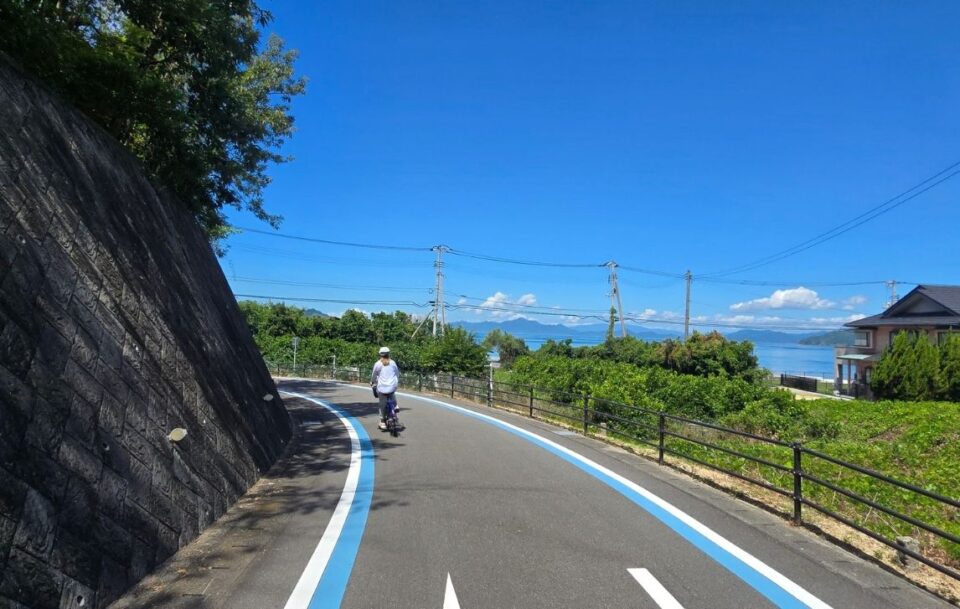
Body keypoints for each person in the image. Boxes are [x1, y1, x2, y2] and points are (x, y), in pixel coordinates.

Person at [371, 347, 400, 431]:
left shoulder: (377, 364)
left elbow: (374, 375)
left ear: (380, 355)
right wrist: (396, 381)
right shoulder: (393, 363)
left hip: (382, 387)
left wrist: (372, 382)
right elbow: (397, 373)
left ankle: (383, 421)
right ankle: (395, 405)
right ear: (389, 354)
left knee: (382, 404)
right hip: (392, 386)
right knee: (392, 392)